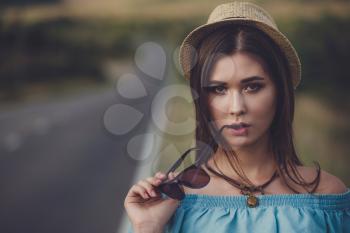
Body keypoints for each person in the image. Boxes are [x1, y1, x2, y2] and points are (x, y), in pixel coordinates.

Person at [124, 2, 350, 233]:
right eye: (218, 89)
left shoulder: (327, 197)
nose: (236, 107)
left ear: (280, 91)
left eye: (252, 87)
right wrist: (147, 226)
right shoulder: (171, 203)